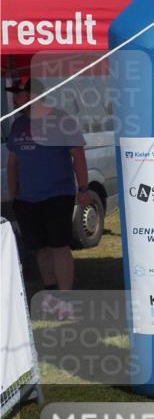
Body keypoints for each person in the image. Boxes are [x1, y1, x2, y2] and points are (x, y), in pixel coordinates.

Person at [6, 79, 92, 293]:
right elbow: (12, 163)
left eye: (18, 93)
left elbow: (78, 155)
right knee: (40, 248)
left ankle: (66, 296)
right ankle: (51, 291)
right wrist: (14, 193)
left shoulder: (62, 119)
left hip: (57, 195)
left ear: (32, 95)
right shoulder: (18, 124)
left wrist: (83, 189)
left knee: (59, 246)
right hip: (27, 198)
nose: (14, 99)